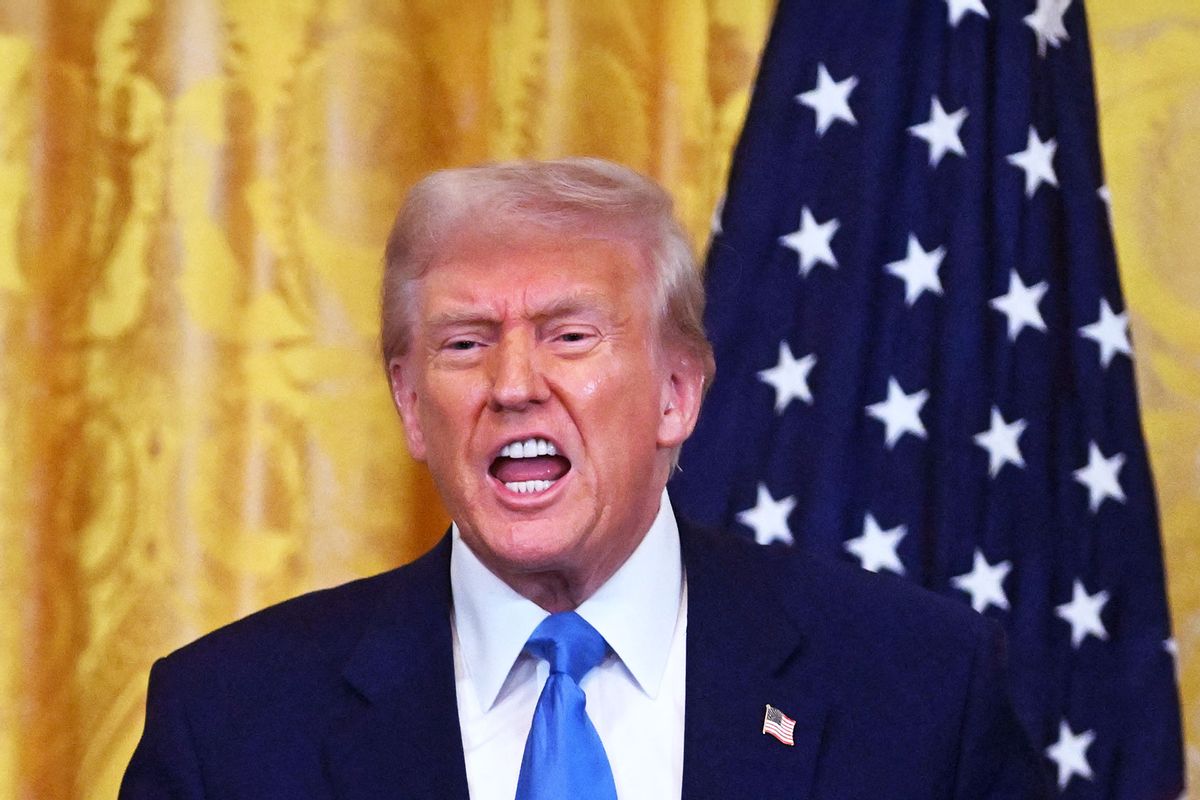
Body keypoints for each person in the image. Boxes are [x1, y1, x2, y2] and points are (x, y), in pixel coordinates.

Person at [120, 158, 1049, 799]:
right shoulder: (232, 726)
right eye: (464, 343)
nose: (514, 385)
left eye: (570, 334)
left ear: (677, 393)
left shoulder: (920, 691)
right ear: (409, 404)